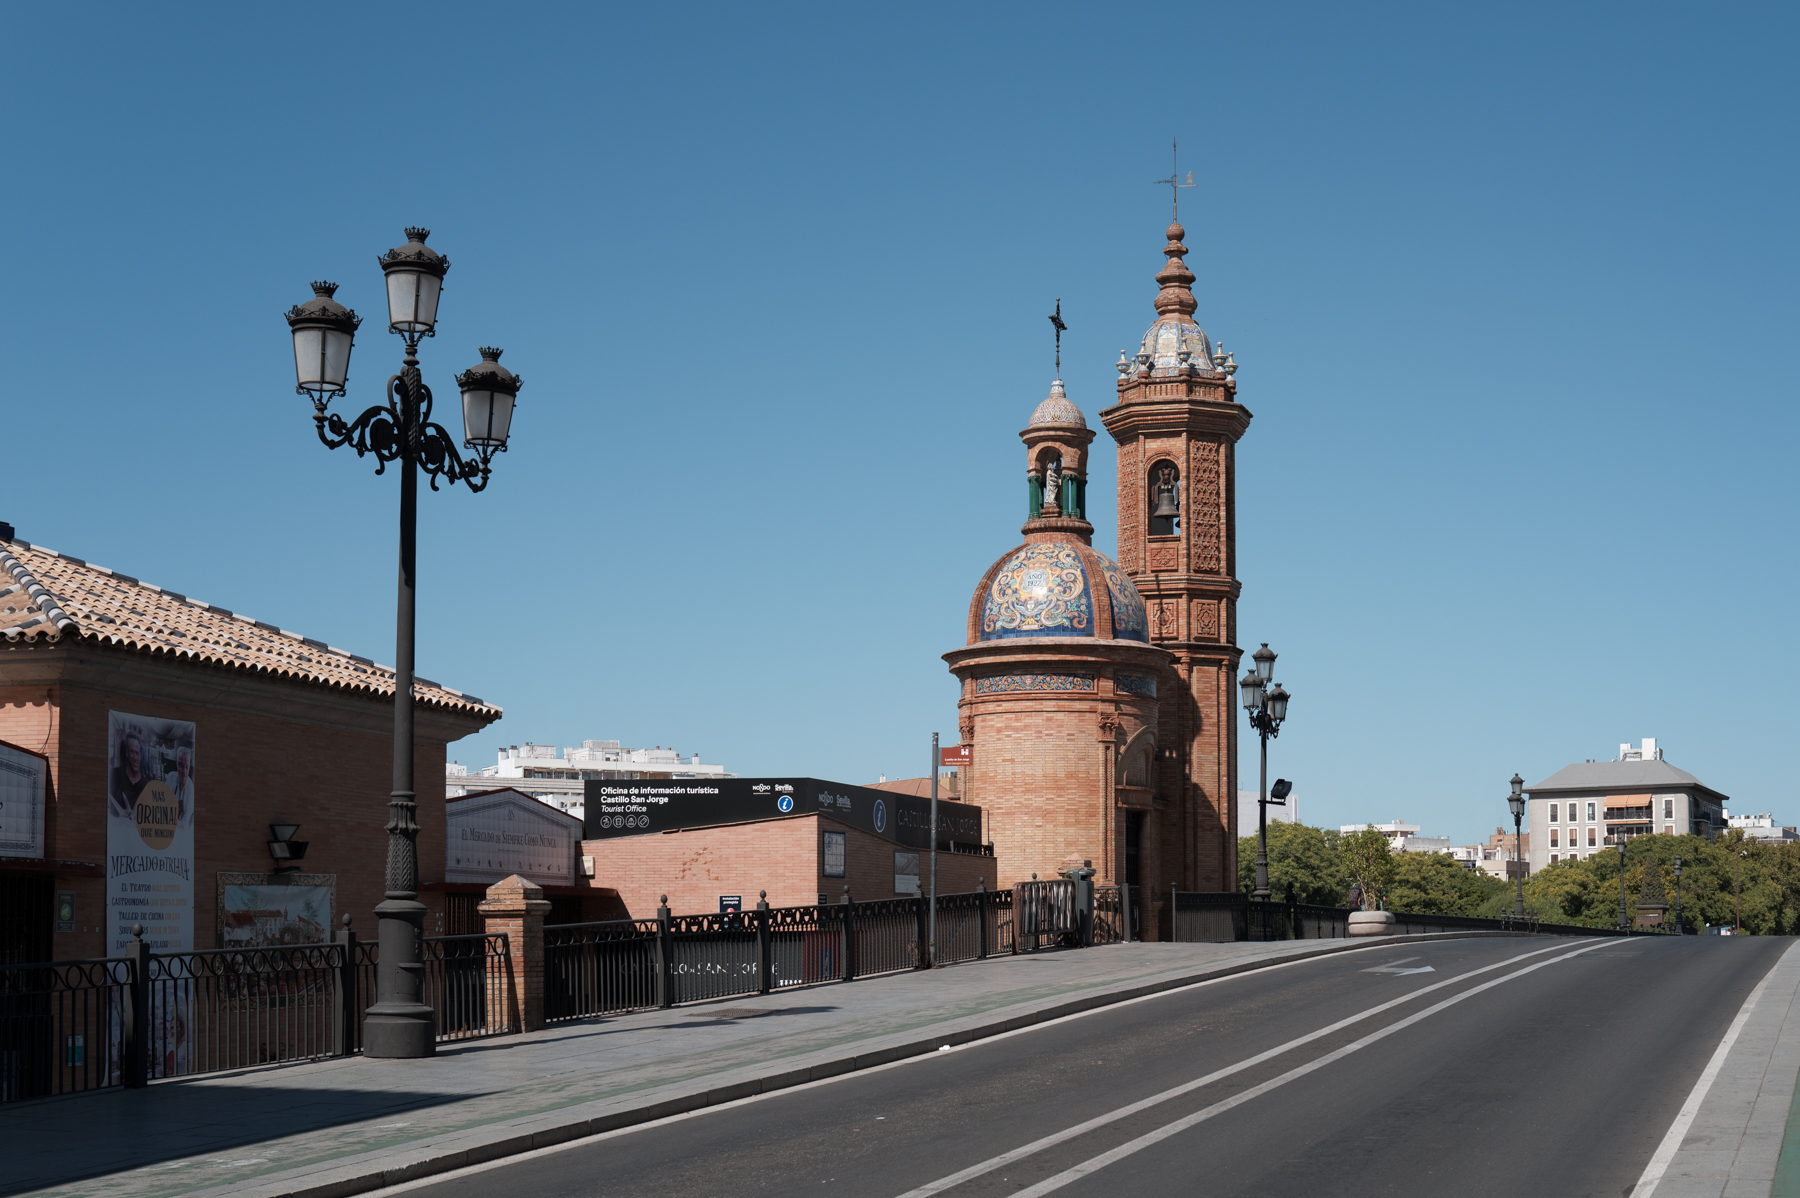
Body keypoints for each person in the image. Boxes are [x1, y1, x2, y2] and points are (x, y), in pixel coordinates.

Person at [109, 730, 149, 819]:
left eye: (137, 753)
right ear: (127, 753)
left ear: (141, 756)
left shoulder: (146, 786)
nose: (135, 758)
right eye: (132, 752)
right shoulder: (113, 775)